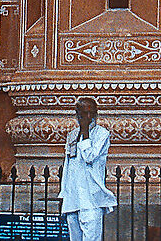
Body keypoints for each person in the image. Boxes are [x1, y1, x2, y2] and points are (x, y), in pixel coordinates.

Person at [60, 97, 115, 241]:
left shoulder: (102, 134)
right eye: (85, 114)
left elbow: (89, 156)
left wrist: (85, 133)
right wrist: (63, 194)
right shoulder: (72, 135)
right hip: (73, 199)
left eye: (92, 113)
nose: (89, 117)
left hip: (92, 200)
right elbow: (68, 166)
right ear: (78, 114)